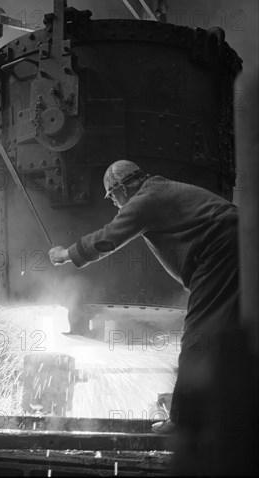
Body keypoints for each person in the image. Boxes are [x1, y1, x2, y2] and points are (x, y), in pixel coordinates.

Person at [48, 160, 240, 434]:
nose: (114, 203)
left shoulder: (146, 199)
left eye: (113, 196)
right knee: (229, 335)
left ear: (124, 186)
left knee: (199, 335)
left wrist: (66, 254)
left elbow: (108, 239)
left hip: (222, 251)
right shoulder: (160, 191)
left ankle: (185, 420)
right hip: (238, 245)